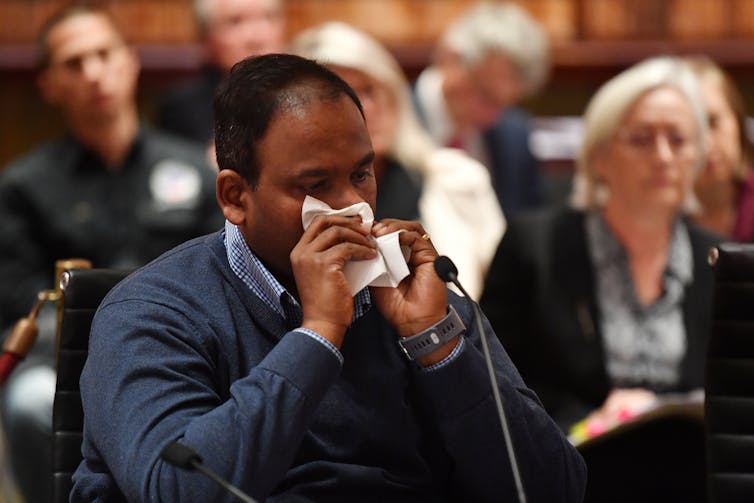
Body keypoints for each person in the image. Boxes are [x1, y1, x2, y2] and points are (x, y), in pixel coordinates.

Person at [71, 53, 586, 502]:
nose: (353, 207)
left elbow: (551, 489)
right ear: (234, 196)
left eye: (361, 173)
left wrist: (438, 346)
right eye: (315, 184)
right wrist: (317, 335)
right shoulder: (152, 311)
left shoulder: (419, 299)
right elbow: (181, 488)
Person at [0, 6, 222, 502]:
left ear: (131, 62)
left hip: (183, 353)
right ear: (49, 85)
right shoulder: (24, 186)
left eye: (104, 54)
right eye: (74, 63)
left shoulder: (193, 171)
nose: (94, 72)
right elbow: (18, 300)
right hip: (66, 361)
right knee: (28, 401)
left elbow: (222, 273)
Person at [480, 56, 721, 434]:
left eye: (678, 140)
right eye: (642, 139)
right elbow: (493, 383)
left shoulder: (720, 260)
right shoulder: (533, 247)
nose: (663, 157)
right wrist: (592, 423)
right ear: (598, 155)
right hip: (570, 468)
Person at [290, 21, 504, 299]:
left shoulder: (459, 179)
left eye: (369, 90)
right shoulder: (293, 206)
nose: (364, 109)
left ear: (393, 92)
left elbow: (502, 308)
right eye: (341, 97)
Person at [414, 1, 548, 215]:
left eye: (504, 104)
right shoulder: (391, 118)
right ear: (450, 58)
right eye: (485, 94)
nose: (492, 117)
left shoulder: (515, 136)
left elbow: (527, 229)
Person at [155, 0, 285, 145]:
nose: (257, 36)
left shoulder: (306, 95)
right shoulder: (182, 108)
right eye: (235, 22)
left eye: (268, 17)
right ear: (205, 37)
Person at [685, 55, 754, 242]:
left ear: (738, 123)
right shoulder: (657, 218)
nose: (706, 145)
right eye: (690, 129)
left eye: (713, 122)